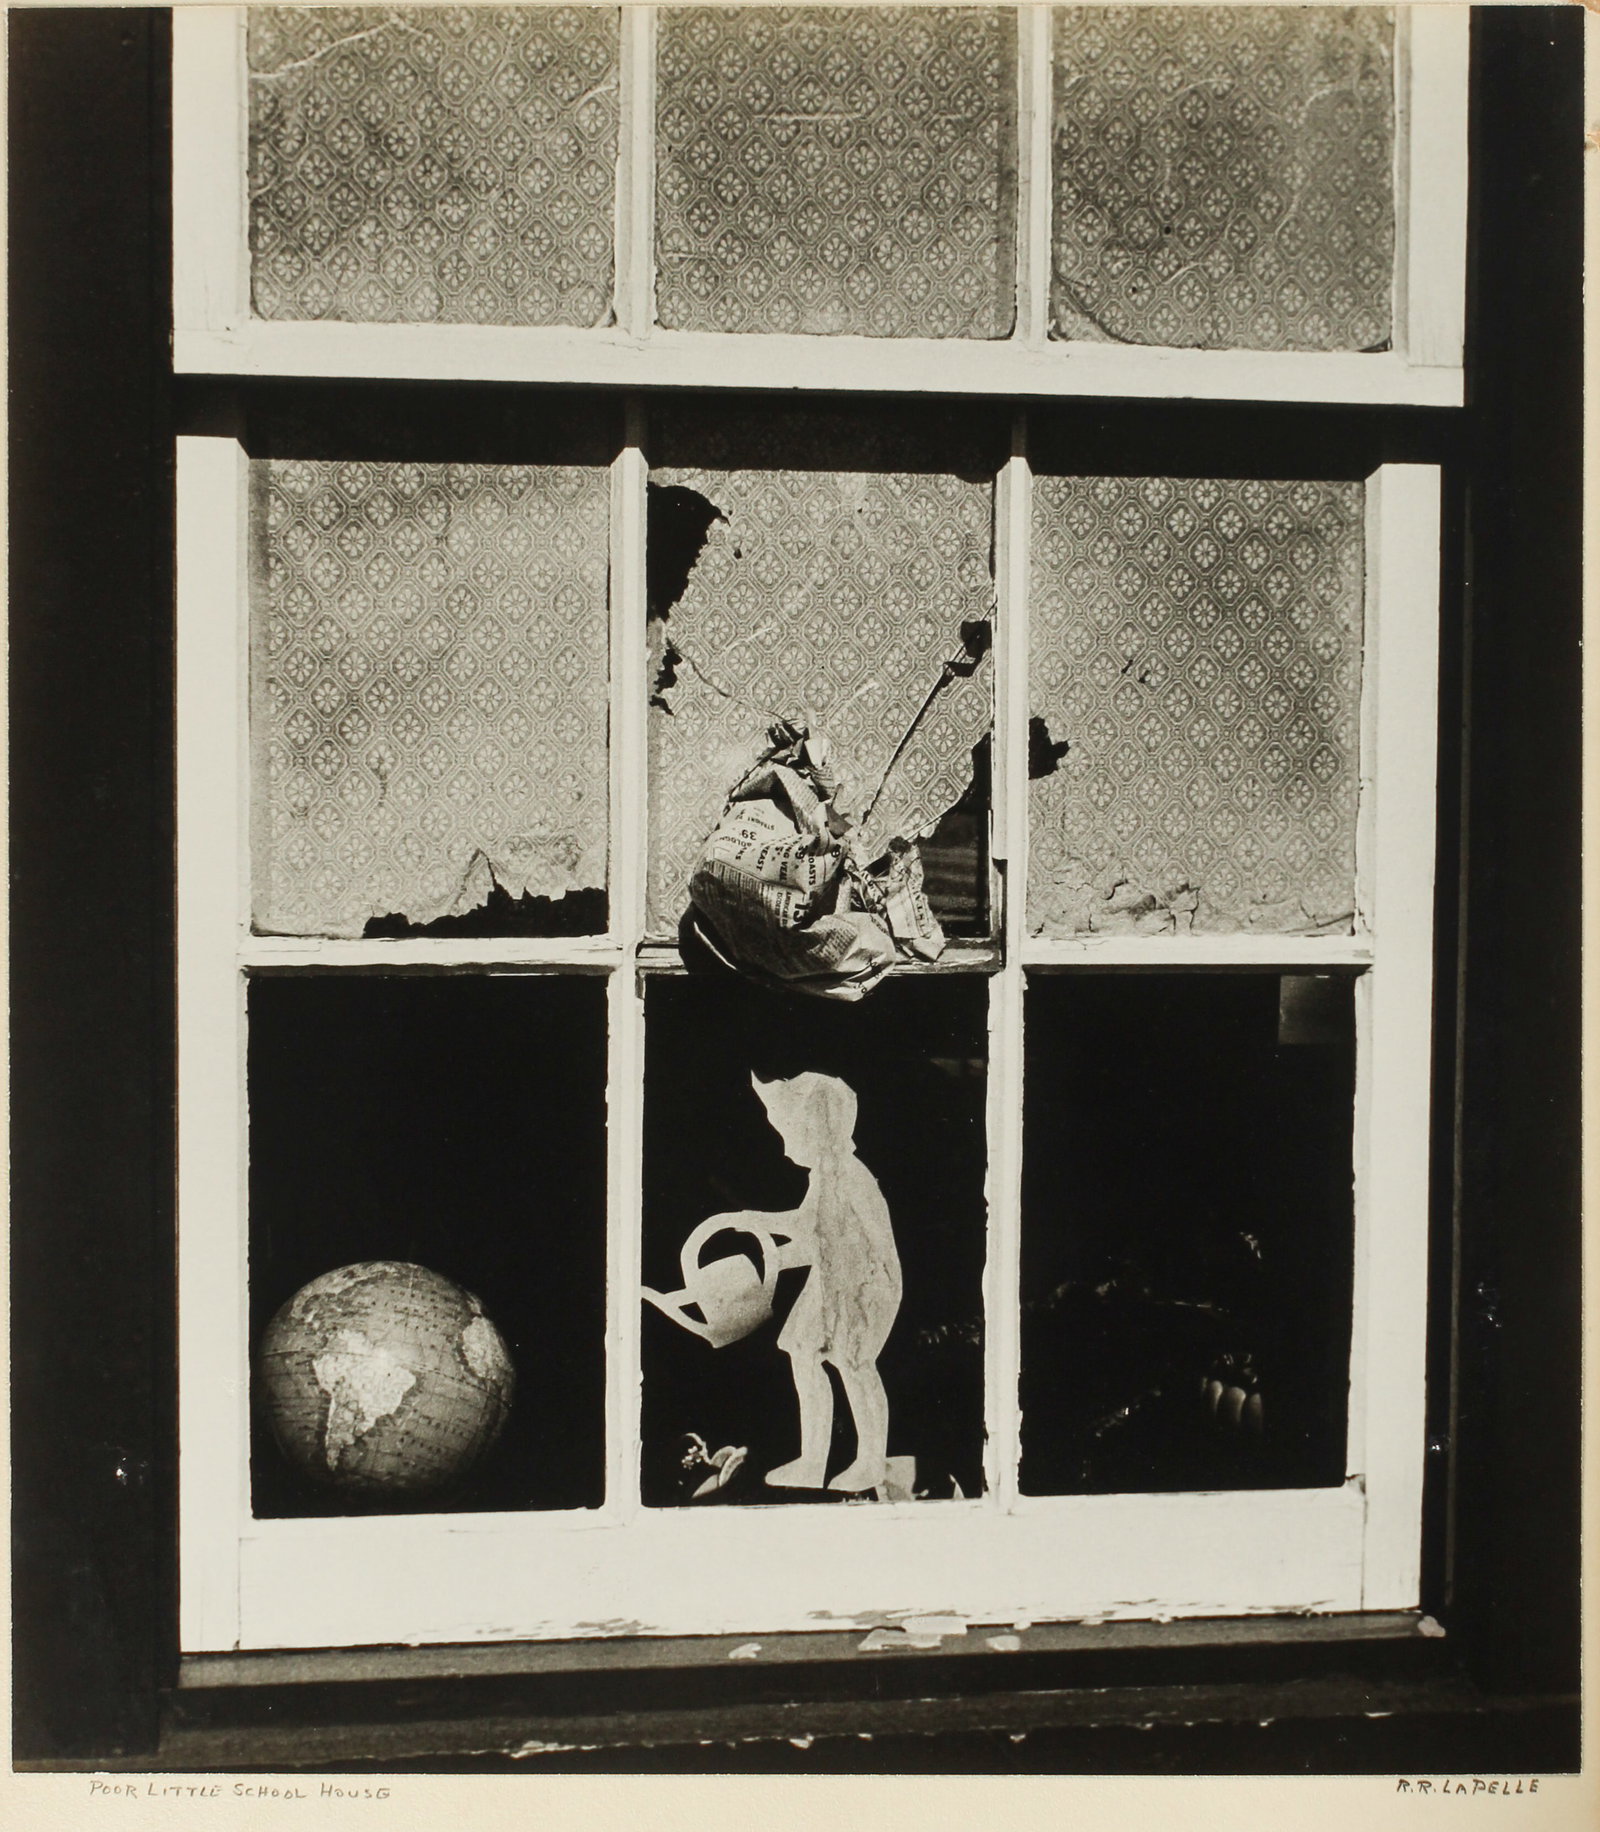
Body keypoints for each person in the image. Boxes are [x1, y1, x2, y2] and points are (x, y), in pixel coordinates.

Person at [750, 1071, 902, 1492]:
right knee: (803, 1351)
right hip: (835, 1281)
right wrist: (762, 1239)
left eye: (791, 1132)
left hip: (860, 1284)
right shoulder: (826, 1176)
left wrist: (759, 1228)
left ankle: (871, 1461)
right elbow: (812, 1235)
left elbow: (851, 1238)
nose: (786, 1145)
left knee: (854, 1363)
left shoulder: (850, 1176)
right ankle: (813, 1459)